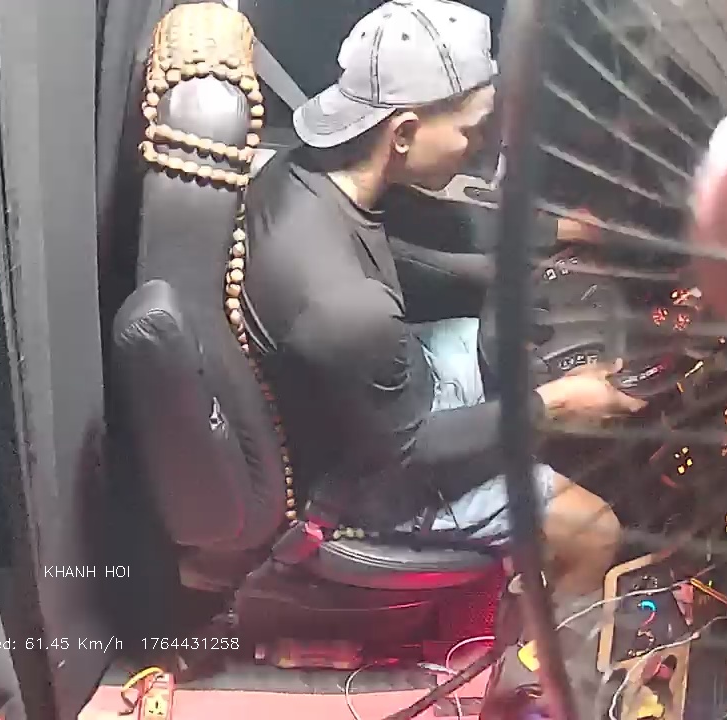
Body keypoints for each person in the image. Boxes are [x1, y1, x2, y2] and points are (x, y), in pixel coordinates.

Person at [240, 0, 646, 596]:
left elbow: (433, 221)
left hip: (378, 396)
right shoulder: (347, 307)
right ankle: (530, 649)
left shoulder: (307, 172)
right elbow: (407, 448)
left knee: (522, 347)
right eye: (471, 129)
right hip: (367, 478)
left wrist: (565, 231)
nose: (479, 145)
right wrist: (556, 403)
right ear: (404, 132)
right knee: (597, 528)